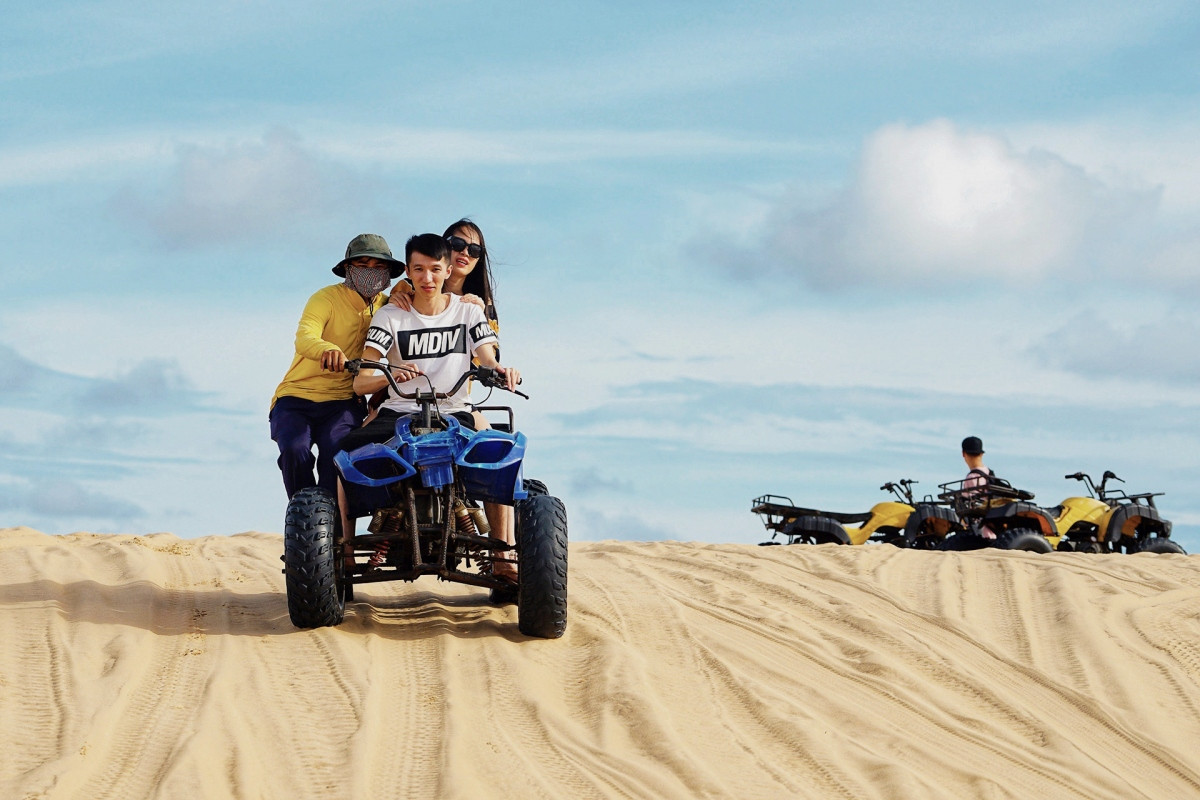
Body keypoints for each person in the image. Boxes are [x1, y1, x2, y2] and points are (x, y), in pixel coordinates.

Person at [337, 233, 522, 585]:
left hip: (454, 410)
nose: (427, 279)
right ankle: (345, 551)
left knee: (500, 455)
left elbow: (488, 358)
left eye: (435, 270)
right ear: (407, 271)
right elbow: (361, 381)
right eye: (418, 270)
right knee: (346, 453)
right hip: (399, 412)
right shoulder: (390, 316)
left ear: (448, 269)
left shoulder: (468, 312)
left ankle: (502, 556)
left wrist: (502, 370)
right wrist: (391, 376)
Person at [269, 234, 404, 498]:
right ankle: (303, 520)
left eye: (379, 268)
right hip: (297, 396)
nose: (371, 273)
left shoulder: (388, 307)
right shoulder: (326, 298)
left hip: (343, 401)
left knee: (339, 456)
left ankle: (335, 533)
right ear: (347, 269)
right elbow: (305, 336)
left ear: (389, 273)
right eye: (363, 266)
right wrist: (327, 349)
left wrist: (406, 288)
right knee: (294, 450)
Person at [960, 435, 995, 539]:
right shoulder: (990, 474)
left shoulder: (971, 478)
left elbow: (969, 508)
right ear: (981, 454)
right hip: (994, 527)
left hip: (982, 532)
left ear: (963, 454)